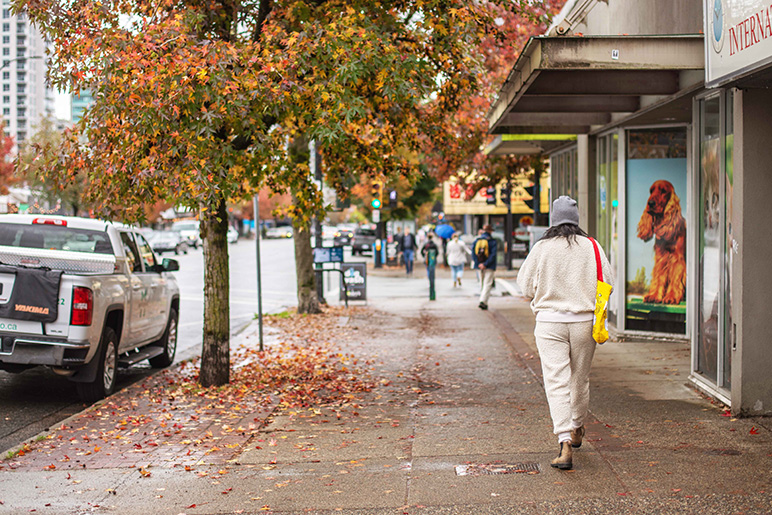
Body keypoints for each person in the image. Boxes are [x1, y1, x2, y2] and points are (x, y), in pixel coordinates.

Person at [516, 196, 613, 471]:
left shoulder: (542, 248)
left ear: (553, 219)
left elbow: (524, 286)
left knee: (556, 381)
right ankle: (578, 427)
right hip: (584, 323)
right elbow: (608, 282)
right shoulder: (592, 246)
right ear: (576, 218)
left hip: (549, 323)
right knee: (579, 379)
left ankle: (564, 443)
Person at [473, 224, 497, 310]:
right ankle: (483, 301)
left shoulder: (477, 240)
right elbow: (493, 255)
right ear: (490, 231)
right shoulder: (492, 241)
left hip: (479, 266)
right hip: (489, 266)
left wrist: (479, 264)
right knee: (488, 283)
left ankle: (483, 300)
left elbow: (474, 254)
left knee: (482, 283)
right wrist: (486, 264)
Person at [421, 232, 439, 300]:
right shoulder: (434, 244)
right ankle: (432, 290)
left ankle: (429, 278)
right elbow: (437, 252)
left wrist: (425, 256)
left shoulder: (426, 244)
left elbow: (421, 251)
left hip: (427, 260)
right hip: (432, 260)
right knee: (432, 271)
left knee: (428, 270)